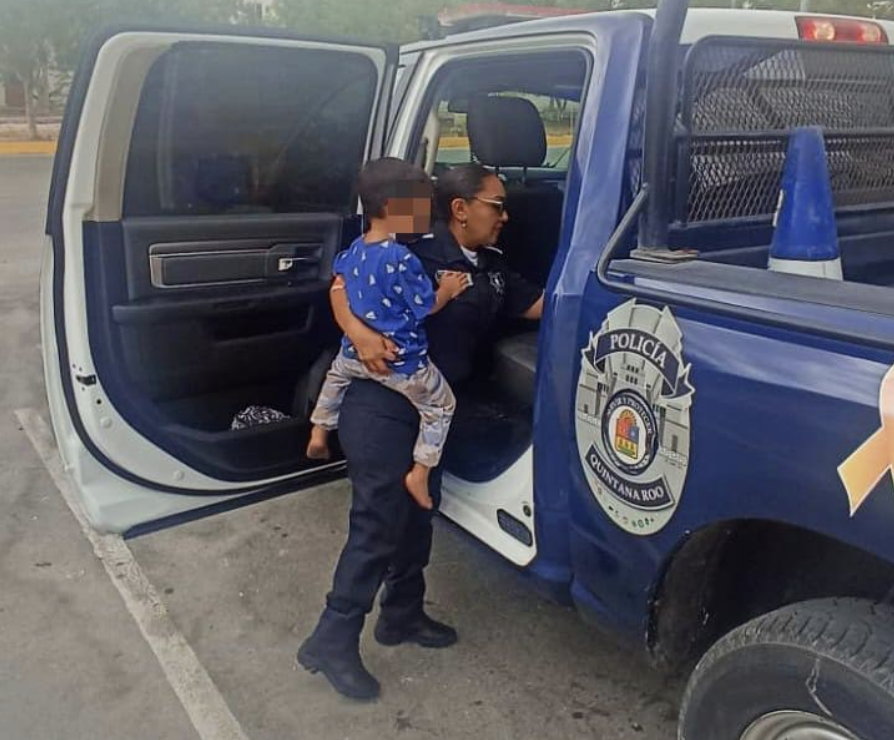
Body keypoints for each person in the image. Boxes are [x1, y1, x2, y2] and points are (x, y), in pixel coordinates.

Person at [298, 163, 544, 702]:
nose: (506, 216)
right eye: (497, 205)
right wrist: (360, 332)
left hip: (432, 405)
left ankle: (401, 616)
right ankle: (331, 638)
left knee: (417, 515)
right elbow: (341, 288)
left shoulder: (494, 267)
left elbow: (545, 305)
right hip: (380, 402)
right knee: (377, 522)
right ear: (462, 209)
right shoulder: (413, 248)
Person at [306, 158, 470, 509]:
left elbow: (340, 286)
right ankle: (420, 473)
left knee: (334, 381)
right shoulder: (402, 258)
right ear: (396, 208)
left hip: (353, 355)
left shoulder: (355, 250)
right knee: (441, 406)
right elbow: (425, 306)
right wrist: (449, 289)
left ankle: (319, 430)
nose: (428, 214)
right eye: (422, 206)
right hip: (402, 362)